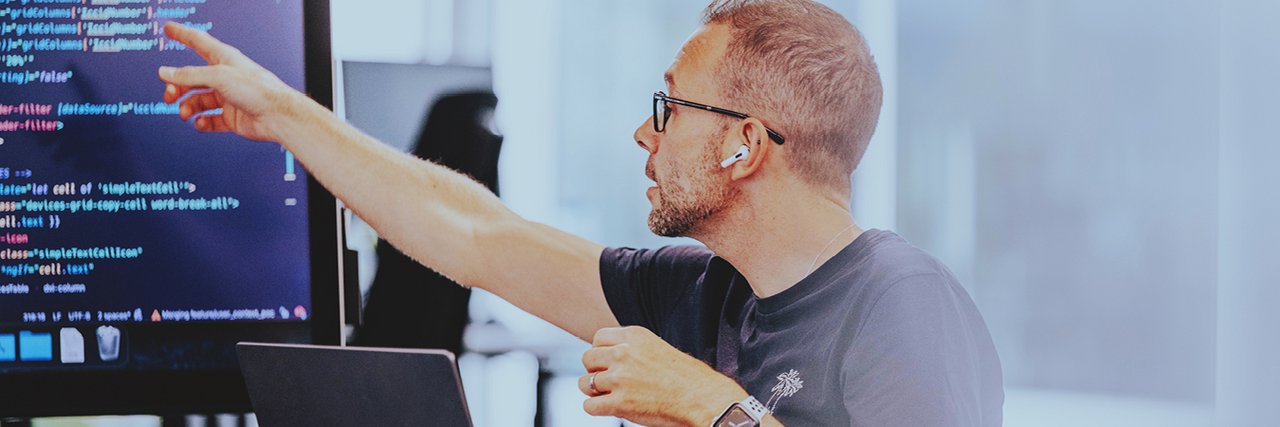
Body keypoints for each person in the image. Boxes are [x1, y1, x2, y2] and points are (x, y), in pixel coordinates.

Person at [156, 0, 1003, 425]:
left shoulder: (903, 302)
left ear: (745, 144)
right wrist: (281, 114)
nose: (645, 132)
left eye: (670, 108)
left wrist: (714, 407)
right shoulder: (703, 292)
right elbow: (478, 236)